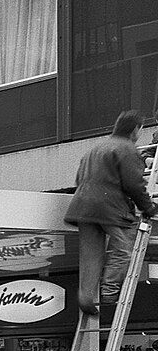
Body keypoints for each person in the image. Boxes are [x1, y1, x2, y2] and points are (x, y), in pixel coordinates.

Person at [65, 110, 156, 315]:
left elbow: (79, 179)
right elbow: (135, 184)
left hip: (83, 207)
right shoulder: (127, 149)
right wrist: (148, 208)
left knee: (91, 255)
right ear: (135, 129)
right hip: (110, 208)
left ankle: (86, 296)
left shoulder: (95, 149)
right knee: (123, 250)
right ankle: (109, 292)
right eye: (140, 130)